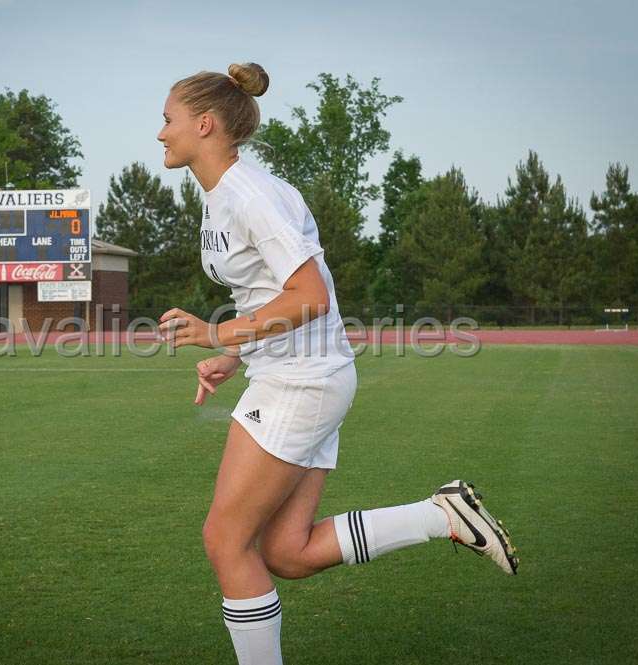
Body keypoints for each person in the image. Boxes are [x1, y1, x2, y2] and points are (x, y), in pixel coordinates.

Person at [156, 62, 518, 665]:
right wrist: (233, 351)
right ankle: (441, 515)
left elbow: (310, 296)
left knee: (225, 540)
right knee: (288, 553)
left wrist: (214, 331)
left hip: (301, 381)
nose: (161, 133)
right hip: (299, 374)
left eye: (167, 121)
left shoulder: (250, 195)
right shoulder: (223, 195)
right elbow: (270, 293)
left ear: (205, 123)